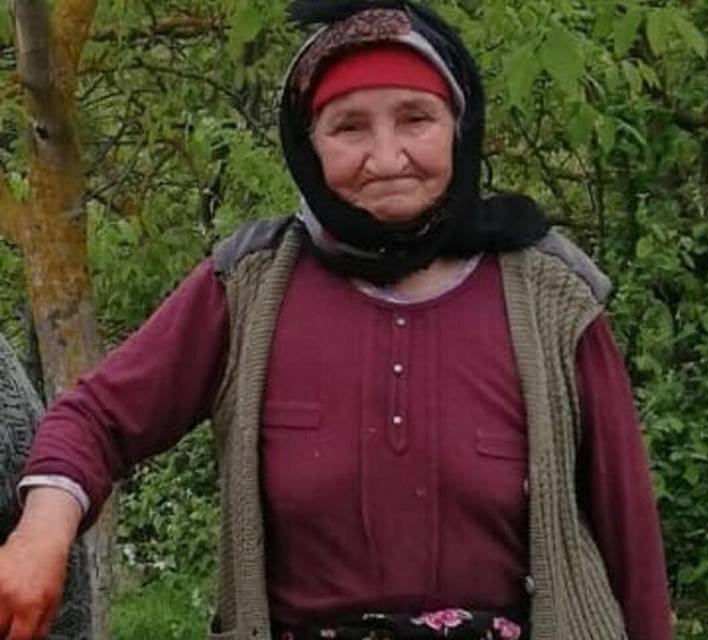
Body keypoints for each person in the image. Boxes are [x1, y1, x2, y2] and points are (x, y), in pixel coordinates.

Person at [0, 2, 673, 639]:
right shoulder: (249, 288)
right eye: (349, 127)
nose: (386, 157)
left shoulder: (550, 296)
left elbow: (631, 546)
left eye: (416, 118)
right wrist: (41, 533)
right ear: (309, 144)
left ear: (459, 127)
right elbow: (98, 418)